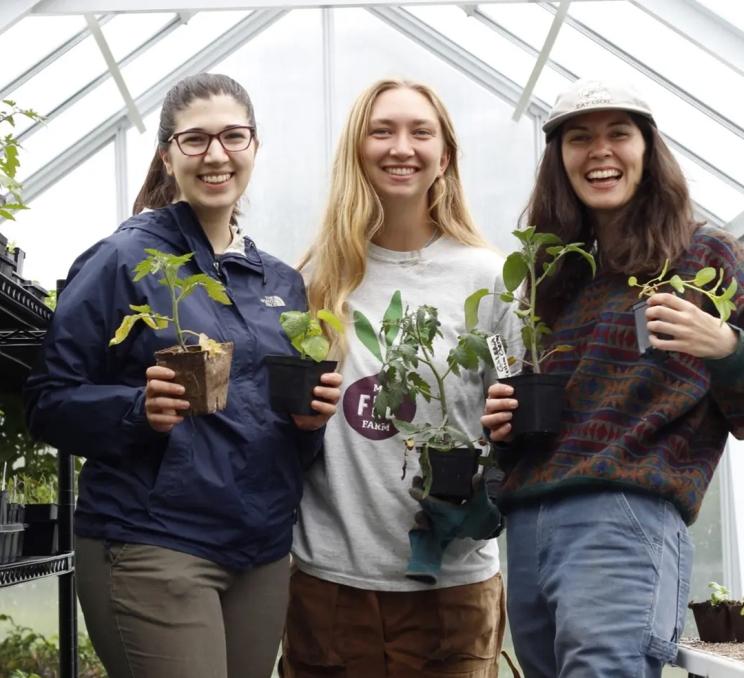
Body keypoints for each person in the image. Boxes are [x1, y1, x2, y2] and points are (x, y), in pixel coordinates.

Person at [24, 73, 342, 678]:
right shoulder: (123, 259)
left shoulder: (279, 282)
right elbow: (48, 400)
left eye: (233, 137)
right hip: (154, 541)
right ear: (168, 154)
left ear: (254, 146)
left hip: (262, 551)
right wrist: (135, 408)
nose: (216, 155)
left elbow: (279, 427)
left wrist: (309, 422)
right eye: (194, 140)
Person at [482, 78, 744, 677]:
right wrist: (506, 423)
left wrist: (726, 345)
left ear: (649, 150)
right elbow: (559, 405)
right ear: (559, 160)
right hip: (530, 520)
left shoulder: (705, 255)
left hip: (623, 515)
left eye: (618, 134)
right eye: (580, 138)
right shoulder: (553, 273)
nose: (599, 151)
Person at [281, 78, 520, 678]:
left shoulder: (488, 280)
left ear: (446, 156)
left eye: (421, 132)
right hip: (331, 582)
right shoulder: (316, 279)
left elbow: (522, 404)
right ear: (356, 150)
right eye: (381, 130)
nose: (400, 147)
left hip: (455, 587)